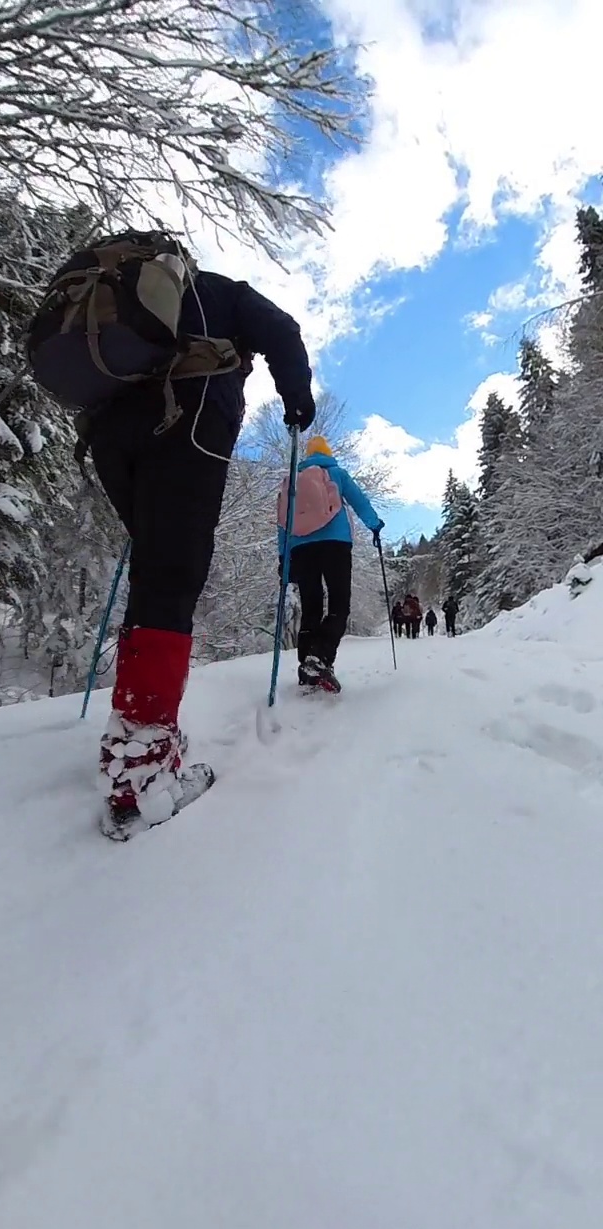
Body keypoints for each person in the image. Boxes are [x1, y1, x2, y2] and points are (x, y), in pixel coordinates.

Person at [89, 245, 316, 837]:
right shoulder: (222, 293)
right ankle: (139, 772)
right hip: (186, 422)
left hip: (110, 432)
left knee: (152, 570)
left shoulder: (119, 309)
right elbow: (282, 330)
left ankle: (135, 730)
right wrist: (297, 399)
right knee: (171, 575)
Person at [277, 435, 384, 693]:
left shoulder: (292, 480)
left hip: (301, 548)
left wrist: (284, 557)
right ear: (327, 452)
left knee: (311, 606)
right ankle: (321, 658)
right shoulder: (336, 473)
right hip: (335, 544)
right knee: (339, 604)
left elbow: (283, 521)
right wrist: (375, 525)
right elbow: (359, 501)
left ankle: (307, 666)